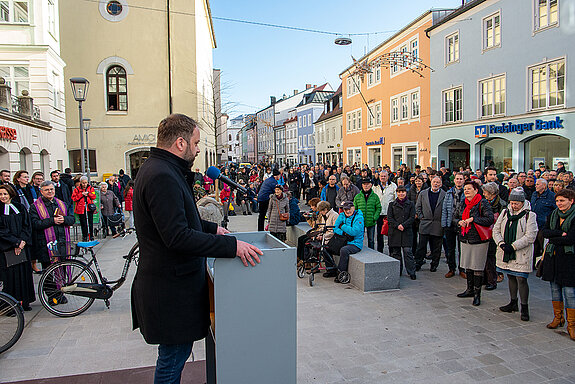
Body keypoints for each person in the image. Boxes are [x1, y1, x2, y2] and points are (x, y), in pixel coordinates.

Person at [131, 114, 262, 383]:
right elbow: (177, 236)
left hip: (171, 286)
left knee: (174, 356)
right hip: (170, 289)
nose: (199, 148)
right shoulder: (162, 176)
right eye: (196, 142)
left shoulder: (160, 168)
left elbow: (182, 218)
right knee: (171, 361)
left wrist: (214, 229)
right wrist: (231, 246)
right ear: (181, 143)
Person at [493, 188, 538, 321]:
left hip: (520, 252)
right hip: (505, 250)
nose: (514, 205)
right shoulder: (505, 212)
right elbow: (496, 229)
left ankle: (524, 307)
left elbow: (530, 236)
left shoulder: (530, 215)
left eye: (516, 203)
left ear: (522, 202)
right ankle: (513, 302)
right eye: (512, 203)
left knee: (521, 279)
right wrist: (501, 243)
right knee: (511, 276)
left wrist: (513, 246)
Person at [540, 188, 575, 340]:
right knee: (554, 288)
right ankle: (558, 318)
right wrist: (560, 234)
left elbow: (571, 239)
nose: (559, 203)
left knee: (570, 292)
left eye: (562, 200)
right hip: (552, 257)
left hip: (569, 259)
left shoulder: (573, 216)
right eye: (557, 201)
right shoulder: (553, 214)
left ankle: (572, 324)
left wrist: (553, 236)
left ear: (571, 201)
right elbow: (544, 232)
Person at [455, 181, 495, 306]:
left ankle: (477, 294)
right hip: (465, 237)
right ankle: (469, 290)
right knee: (468, 265)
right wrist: (459, 222)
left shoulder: (482, 202)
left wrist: (473, 219)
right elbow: (455, 216)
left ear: (476, 190)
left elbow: (489, 219)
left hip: (478, 240)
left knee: (477, 267)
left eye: (469, 189)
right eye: (465, 189)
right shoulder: (463, 203)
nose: (466, 191)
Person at [0, 184, 35, 311]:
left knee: (24, 275)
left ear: (10, 194)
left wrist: (22, 242)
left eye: (5, 194)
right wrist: (15, 243)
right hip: (7, 248)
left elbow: (27, 225)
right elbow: (2, 231)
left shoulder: (20, 207)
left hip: (22, 247)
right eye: (0, 194)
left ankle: (25, 302)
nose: (3, 196)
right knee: (10, 278)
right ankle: (10, 306)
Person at [29, 181, 75, 271]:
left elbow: (72, 219)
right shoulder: (35, 207)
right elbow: (35, 224)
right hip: (46, 245)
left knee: (63, 270)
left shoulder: (62, 204)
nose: (50, 191)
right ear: (41, 192)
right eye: (46, 190)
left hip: (63, 242)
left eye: (51, 189)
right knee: (49, 275)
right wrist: (52, 221)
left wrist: (64, 220)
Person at [324, 201, 364, 282]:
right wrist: (344, 233)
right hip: (343, 240)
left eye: (349, 209)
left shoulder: (359, 217)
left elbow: (354, 232)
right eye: (345, 209)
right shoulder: (341, 215)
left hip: (355, 243)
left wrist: (342, 226)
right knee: (325, 248)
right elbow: (335, 228)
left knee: (344, 250)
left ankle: (340, 273)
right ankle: (331, 270)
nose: (347, 211)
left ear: (353, 208)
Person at [415, 176, 446, 272]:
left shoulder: (444, 194)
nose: (436, 184)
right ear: (430, 182)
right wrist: (421, 217)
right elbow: (418, 207)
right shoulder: (423, 193)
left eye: (438, 182)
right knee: (421, 246)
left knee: (436, 247)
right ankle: (418, 263)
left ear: (440, 184)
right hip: (425, 223)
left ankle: (434, 264)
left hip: (438, 224)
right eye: (434, 182)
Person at [387, 186, 416, 280]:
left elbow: (412, 217)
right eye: (399, 192)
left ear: (406, 193)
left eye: (403, 192)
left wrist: (403, 225)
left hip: (406, 231)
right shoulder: (392, 204)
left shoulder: (411, 204)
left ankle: (411, 271)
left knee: (408, 252)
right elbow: (390, 218)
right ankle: (398, 271)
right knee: (396, 253)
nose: (401, 194)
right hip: (395, 232)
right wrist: (397, 225)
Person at [482, 182, 507, 290]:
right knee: (485, 257)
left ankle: (492, 280)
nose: (483, 194)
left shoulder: (501, 204)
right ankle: (485, 278)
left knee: (491, 257)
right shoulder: (484, 202)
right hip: (484, 232)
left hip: (495, 233)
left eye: (485, 192)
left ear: (491, 193)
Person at [442, 172, 466, 278]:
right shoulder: (449, 193)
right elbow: (444, 209)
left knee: (462, 249)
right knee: (450, 249)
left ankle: (462, 269)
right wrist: (444, 224)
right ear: (454, 180)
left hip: (463, 224)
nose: (459, 181)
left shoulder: (466, 192)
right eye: (457, 179)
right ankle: (451, 268)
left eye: (461, 179)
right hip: (450, 223)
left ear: (464, 180)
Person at [531, 178, 556, 262]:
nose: (535, 186)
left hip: (543, 225)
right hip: (533, 224)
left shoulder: (552, 196)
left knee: (543, 245)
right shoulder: (534, 194)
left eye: (538, 184)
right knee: (534, 246)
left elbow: (555, 210)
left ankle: (543, 263)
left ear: (544, 186)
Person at [353, 178, 381, 250]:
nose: (366, 186)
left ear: (371, 185)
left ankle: (372, 253)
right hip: (360, 222)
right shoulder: (357, 197)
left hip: (371, 221)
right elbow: (354, 209)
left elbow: (378, 208)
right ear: (362, 185)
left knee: (371, 240)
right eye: (364, 184)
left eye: (367, 184)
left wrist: (375, 217)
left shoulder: (375, 196)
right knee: (359, 239)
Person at [373, 171, 397, 254]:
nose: (383, 178)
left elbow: (395, 199)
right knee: (379, 234)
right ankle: (380, 251)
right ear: (379, 177)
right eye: (381, 176)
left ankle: (391, 252)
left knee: (390, 234)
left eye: (384, 176)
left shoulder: (393, 186)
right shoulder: (375, 186)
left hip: (389, 214)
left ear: (388, 177)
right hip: (379, 213)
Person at [71, 176, 96, 241]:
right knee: (83, 223)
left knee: (90, 222)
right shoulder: (76, 189)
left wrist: (88, 194)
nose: (84, 184)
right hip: (81, 208)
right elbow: (74, 198)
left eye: (85, 183)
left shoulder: (91, 188)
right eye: (83, 183)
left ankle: (91, 235)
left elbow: (94, 196)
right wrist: (81, 194)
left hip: (89, 208)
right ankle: (84, 236)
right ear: (80, 183)